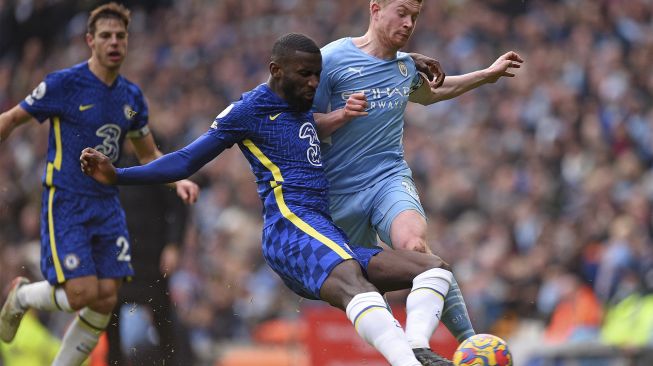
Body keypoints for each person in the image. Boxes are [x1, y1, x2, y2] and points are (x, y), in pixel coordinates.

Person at [81, 32, 457, 366]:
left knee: (434, 268)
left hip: (324, 230)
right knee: (352, 280)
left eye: (316, 74)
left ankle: (417, 348)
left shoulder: (298, 107)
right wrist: (118, 176)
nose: (313, 83)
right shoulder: (247, 111)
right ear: (276, 70)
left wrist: (403, 62)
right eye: (304, 74)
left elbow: (316, 115)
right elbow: (185, 160)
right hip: (289, 230)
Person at [313, 0, 524, 349]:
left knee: (416, 248)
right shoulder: (332, 60)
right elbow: (303, 126)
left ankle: (459, 345)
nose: (409, 23)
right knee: (357, 286)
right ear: (376, 8)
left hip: (387, 178)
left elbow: (434, 92)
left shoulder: (404, 67)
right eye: (402, 12)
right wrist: (341, 116)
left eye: (415, 16)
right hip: (337, 194)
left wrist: (487, 74)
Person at [0, 3, 198, 366]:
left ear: (128, 42)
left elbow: (149, 154)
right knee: (81, 293)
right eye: (105, 35)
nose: (114, 42)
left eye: (120, 36)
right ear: (90, 41)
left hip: (107, 205)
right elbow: (12, 119)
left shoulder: (131, 97)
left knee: (107, 296)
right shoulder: (64, 84)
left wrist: (179, 180)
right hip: (67, 201)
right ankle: (24, 296)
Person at [105, 143, 195, 366]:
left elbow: (178, 205)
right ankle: (114, 362)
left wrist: (174, 245)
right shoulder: (107, 155)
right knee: (111, 318)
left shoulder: (155, 156)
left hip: (152, 256)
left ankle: (174, 361)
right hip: (118, 256)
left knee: (162, 316)